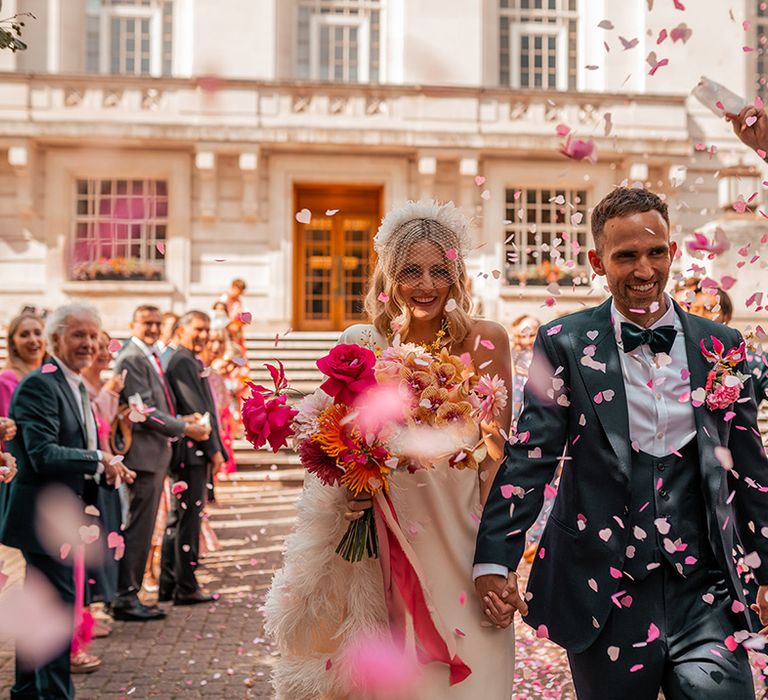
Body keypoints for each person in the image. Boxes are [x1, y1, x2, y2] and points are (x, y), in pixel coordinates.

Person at [475, 187, 768, 700]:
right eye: (626, 255)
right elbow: (531, 456)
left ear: (674, 252)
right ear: (596, 261)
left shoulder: (722, 347)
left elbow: (748, 464)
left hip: (706, 591)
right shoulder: (563, 341)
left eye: (656, 252)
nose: (644, 269)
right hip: (601, 589)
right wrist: (495, 561)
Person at [265, 200, 513, 699]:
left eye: (439, 270)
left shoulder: (488, 340)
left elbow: (497, 460)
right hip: (386, 541)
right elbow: (333, 441)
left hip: (465, 538)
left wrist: (499, 561)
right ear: (388, 274)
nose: (425, 285)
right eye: (410, 271)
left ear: (457, 273)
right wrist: (349, 489)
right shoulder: (363, 343)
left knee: (479, 680)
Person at [0, 303, 135, 700]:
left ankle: (26, 690)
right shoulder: (41, 383)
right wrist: (99, 459)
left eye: (94, 335)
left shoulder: (74, 383)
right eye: (79, 334)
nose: (89, 343)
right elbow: (41, 453)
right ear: (56, 338)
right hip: (41, 517)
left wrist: (103, 467)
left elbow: (83, 446)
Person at [111, 305, 210, 621]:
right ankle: (126, 598)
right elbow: (143, 410)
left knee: (143, 528)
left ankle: (129, 595)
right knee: (138, 531)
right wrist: (185, 427)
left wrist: (181, 419)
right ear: (132, 324)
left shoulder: (150, 356)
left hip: (155, 455)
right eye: (147, 323)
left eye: (157, 323)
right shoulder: (131, 357)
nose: (154, 328)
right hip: (142, 457)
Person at [160, 310, 226, 605]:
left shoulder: (185, 358)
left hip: (190, 450)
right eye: (198, 329)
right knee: (188, 520)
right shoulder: (183, 360)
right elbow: (198, 409)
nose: (203, 335)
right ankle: (185, 587)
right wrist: (215, 451)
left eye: (206, 330)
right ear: (181, 329)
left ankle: (169, 583)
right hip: (191, 450)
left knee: (180, 518)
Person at [0, 313, 44, 520]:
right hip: (20, 472)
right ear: (13, 344)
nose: (33, 340)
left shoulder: (50, 378)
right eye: (25, 334)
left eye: (38, 333)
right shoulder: (7, 380)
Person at [509, 314, 540, 426]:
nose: (527, 341)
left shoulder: (545, 354)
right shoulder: (513, 354)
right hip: (517, 412)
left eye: (532, 335)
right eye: (523, 336)